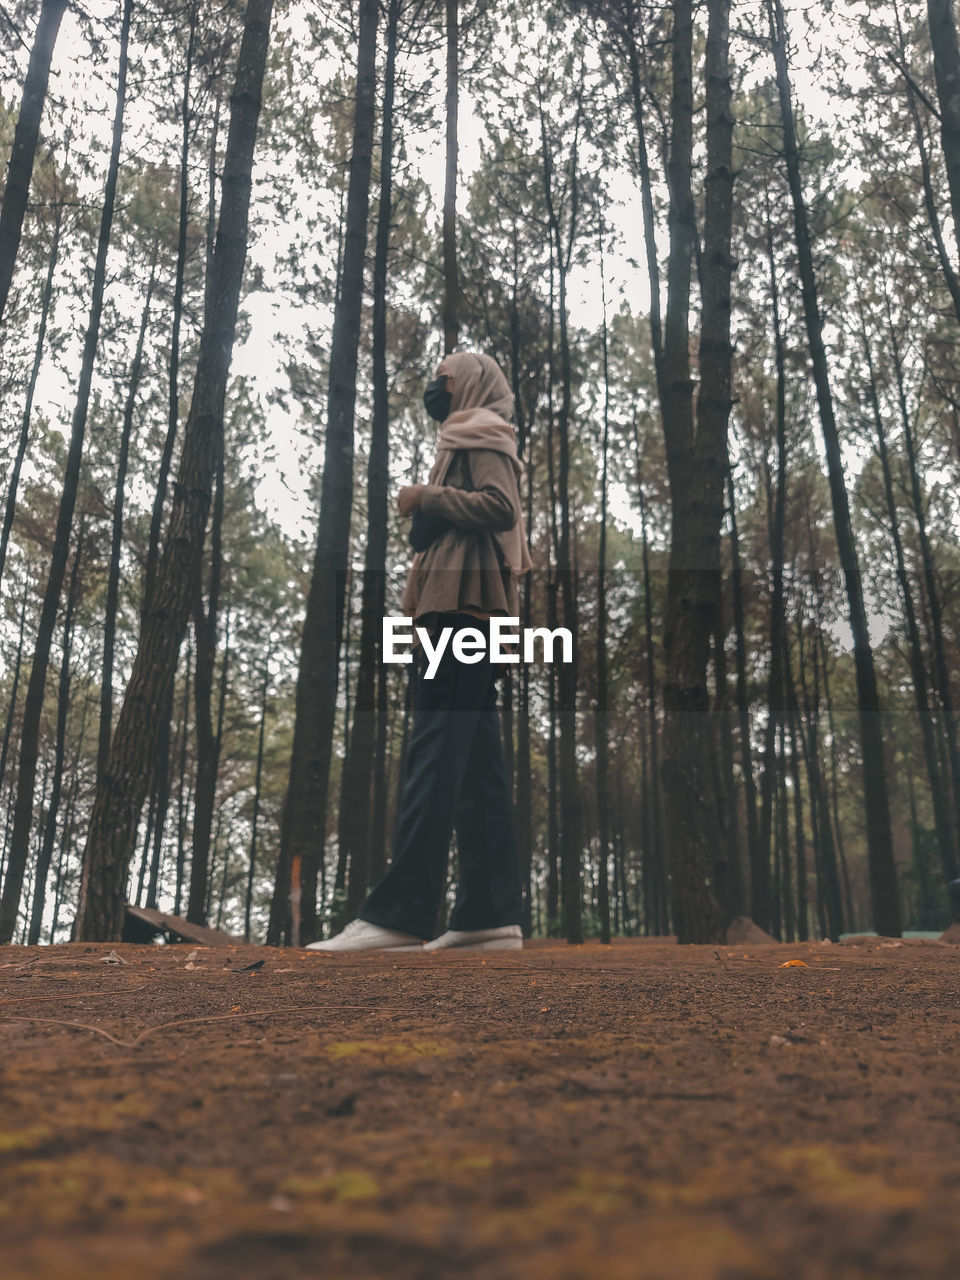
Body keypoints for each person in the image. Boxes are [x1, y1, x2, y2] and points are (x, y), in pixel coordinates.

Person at [309, 351, 533, 953]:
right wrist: (426, 503)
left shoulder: (485, 433)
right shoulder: (456, 440)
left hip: (466, 606)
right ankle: (489, 912)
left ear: (474, 385)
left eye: (446, 378)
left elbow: (500, 507)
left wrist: (427, 499)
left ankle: (402, 912)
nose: (436, 387)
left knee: (433, 746)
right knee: (476, 764)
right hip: (449, 602)